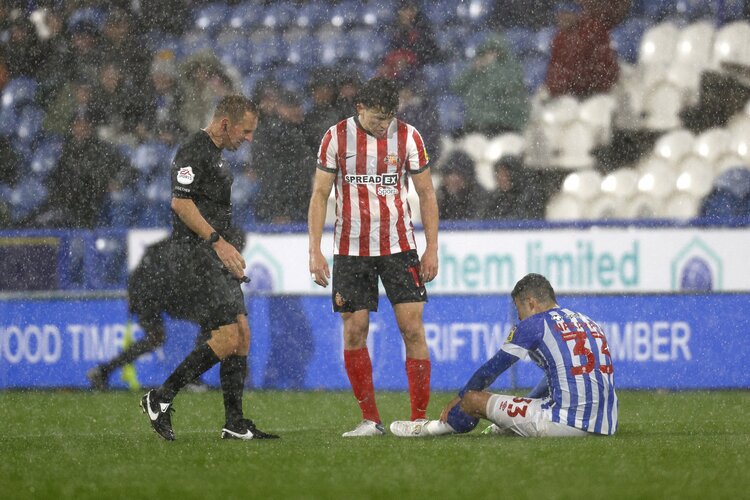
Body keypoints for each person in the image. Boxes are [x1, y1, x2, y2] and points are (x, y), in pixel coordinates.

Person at [140, 95, 278, 441]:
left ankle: (235, 423)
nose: (248, 139)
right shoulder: (193, 151)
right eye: (245, 131)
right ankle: (160, 397)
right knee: (227, 337)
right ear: (225, 123)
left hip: (216, 256)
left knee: (242, 333)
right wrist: (218, 241)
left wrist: (227, 250)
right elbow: (180, 203)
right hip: (196, 256)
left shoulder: (215, 155)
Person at [308, 76, 439, 437]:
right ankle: (371, 420)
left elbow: (426, 194)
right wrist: (315, 250)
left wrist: (432, 248)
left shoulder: (409, 136)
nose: (384, 126)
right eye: (377, 118)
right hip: (351, 250)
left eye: (389, 119)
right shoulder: (335, 137)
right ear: (359, 108)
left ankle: (418, 419)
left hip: (399, 247)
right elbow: (320, 195)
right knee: (355, 330)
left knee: (412, 328)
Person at [391, 273, 618, 438]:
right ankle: (508, 423)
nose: (519, 318)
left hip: (566, 423)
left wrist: (461, 397)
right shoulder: (586, 320)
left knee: (474, 400)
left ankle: (428, 429)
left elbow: (492, 369)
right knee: (528, 402)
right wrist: (529, 401)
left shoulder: (534, 325)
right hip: (605, 424)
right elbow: (565, 374)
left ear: (531, 303)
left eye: (519, 309)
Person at [86, 227, 246, 391]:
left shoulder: (194, 245)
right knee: (209, 323)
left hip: (154, 289)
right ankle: (192, 377)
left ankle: (103, 371)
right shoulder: (201, 252)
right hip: (156, 290)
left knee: (157, 337)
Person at [543, 0, 632, 99]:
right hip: (571, 94)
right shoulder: (559, 38)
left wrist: (585, 84)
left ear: (576, 13)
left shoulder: (593, 30)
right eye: (559, 14)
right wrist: (555, 89)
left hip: (598, 93)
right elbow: (555, 69)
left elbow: (605, 67)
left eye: (566, 13)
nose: (562, 18)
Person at [450, 33, 529, 136]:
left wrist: (491, 68)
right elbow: (455, 86)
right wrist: (472, 70)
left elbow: (501, 86)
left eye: (495, 52)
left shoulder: (511, 69)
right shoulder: (475, 72)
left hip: (502, 126)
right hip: (474, 125)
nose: (490, 56)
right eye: (487, 52)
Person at [436, 150, 486, 221]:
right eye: (448, 173)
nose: (452, 179)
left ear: (468, 177)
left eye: (457, 174)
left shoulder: (481, 198)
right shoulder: (441, 196)